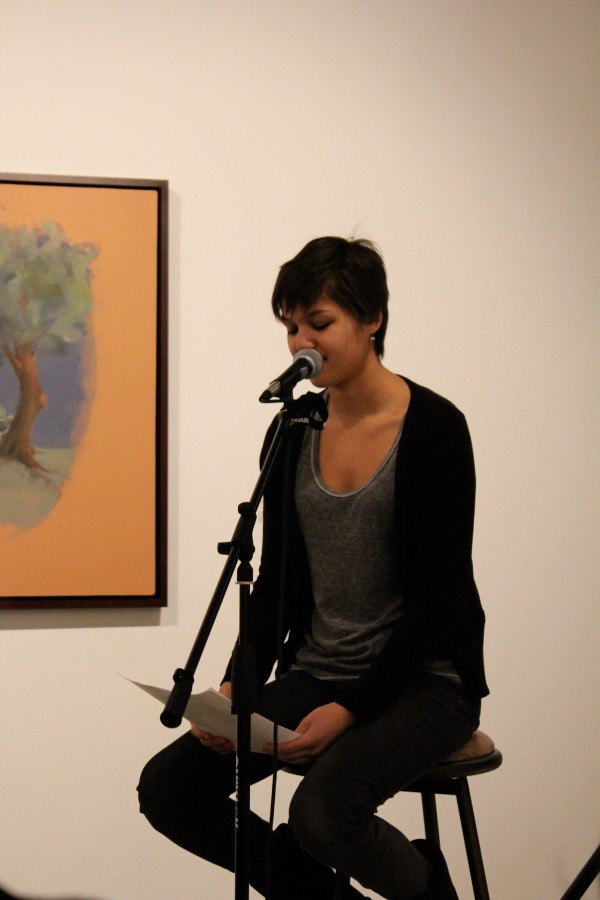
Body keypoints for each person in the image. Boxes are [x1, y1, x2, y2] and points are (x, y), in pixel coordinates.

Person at [138, 236, 488, 899]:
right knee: (170, 789)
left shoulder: (436, 429)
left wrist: (351, 708)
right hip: (319, 670)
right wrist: (237, 689)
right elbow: (274, 581)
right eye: (291, 327)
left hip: (426, 682)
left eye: (319, 323)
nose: (302, 342)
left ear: (372, 317)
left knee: (323, 815)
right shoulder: (293, 430)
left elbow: (439, 601)